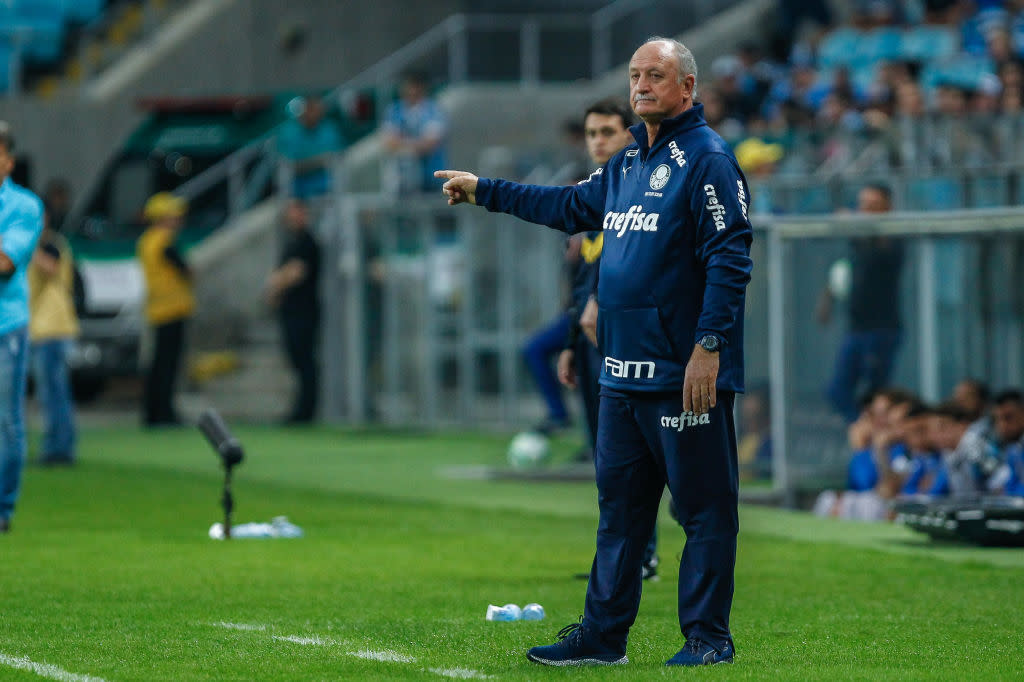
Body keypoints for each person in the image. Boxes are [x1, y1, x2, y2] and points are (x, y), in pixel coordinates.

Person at [437, 37, 753, 667]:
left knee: (703, 512)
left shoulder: (709, 160)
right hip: (621, 375)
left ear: (686, 88)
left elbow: (730, 255)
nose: (641, 86)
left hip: (680, 374)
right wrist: (485, 191)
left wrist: (709, 347)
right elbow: (567, 205)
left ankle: (709, 639)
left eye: (655, 76)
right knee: (619, 516)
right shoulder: (628, 162)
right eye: (636, 75)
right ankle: (603, 638)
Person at [817, 184, 904, 422]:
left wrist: (855, 221)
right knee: (837, 390)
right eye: (863, 205)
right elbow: (846, 268)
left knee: (877, 393)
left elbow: (883, 247)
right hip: (856, 327)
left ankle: (877, 436)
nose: (865, 211)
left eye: (872, 207)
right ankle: (865, 430)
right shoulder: (858, 239)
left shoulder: (892, 237)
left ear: (888, 208)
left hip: (881, 329)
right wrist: (828, 297)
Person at [0, 122, 45, 533]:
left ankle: (3, 509)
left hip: (5, 328)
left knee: (7, 421)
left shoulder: (24, 207)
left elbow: (4, 264)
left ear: (8, 161)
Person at [27, 204, 79, 465]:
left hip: (54, 329)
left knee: (53, 392)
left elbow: (51, 267)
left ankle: (59, 448)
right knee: (53, 392)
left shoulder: (51, 245)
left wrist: (28, 246)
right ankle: (59, 446)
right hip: (42, 328)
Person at [137, 193, 194, 427]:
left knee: (158, 364)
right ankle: (164, 413)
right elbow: (186, 269)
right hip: (173, 309)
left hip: (157, 309)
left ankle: (152, 412)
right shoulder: (164, 241)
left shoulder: (146, 241)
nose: (179, 220)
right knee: (168, 365)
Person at [265, 199, 321, 423]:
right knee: (298, 361)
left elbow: (296, 272)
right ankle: (301, 408)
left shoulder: (307, 241)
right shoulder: (292, 241)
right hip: (292, 311)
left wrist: (274, 284)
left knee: (304, 360)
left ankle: (306, 411)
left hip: (304, 311)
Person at [381, 70, 448, 194]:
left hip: (430, 178)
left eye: (412, 86)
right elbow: (388, 142)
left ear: (421, 87)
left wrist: (402, 143)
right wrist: (416, 144)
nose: (409, 90)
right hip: (401, 179)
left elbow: (430, 144)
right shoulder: (394, 110)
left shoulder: (433, 111)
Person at [277, 94, 344, 199]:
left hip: (323, 178)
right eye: (311, 109)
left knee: (339, 171)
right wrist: (318, 161)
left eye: (317, 110)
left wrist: (320, 161)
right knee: (284, 172)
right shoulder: (289, 131)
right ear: (304, 110)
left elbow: (335, 157)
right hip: (298, 179)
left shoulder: (329, 129)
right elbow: (290, 163)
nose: (314, 114)